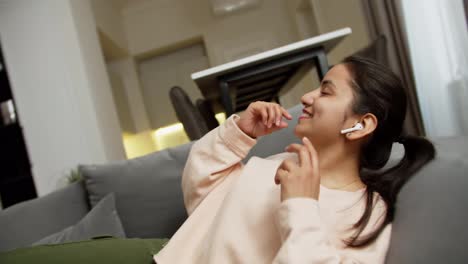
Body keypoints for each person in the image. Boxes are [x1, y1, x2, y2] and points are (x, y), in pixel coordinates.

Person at [153, 56, 435, 263]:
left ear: (361, 125)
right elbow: (201, 196)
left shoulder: (368, 214)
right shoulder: (278, 162)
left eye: (325, 91)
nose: (306, 97)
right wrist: (239, 132)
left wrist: (300, 205)